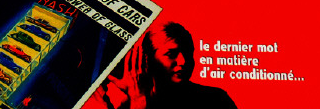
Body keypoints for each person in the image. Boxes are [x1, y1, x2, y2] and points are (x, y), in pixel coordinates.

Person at [88, 21, 238, 109]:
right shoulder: (124, 102)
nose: (184, 61)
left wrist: (138, 101)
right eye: (171, 54)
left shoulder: (215, 99)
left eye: (188, 53)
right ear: (148, 60)